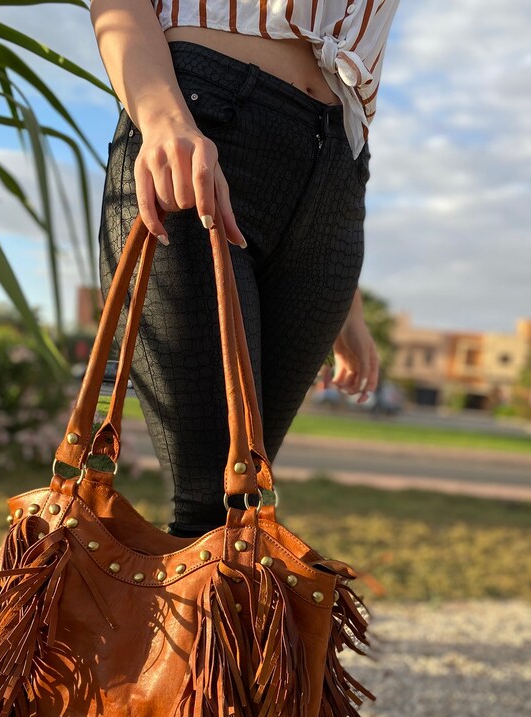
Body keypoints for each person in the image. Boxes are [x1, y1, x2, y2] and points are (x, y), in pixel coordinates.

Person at [91, 0, 402, 539]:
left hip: (339, 167)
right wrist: (164, 120)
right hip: (201, 124)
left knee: (244, 508)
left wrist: (346, 304)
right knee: (215, 509)